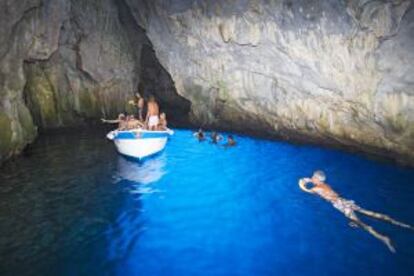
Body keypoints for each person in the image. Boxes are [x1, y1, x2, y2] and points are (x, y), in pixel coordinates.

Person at [298, 170, 414, 253]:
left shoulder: (316, 188)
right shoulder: (326, 184)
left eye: (313, 176)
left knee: (361, 225)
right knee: (369, 213)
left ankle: (384, 238)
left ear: (317, 179)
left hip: (342, 206)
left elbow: (304, 189)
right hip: (345, 201)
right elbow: (320, 186)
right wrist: (310, 179)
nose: (311, 177)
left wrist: (302, 182)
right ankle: (402, 224)